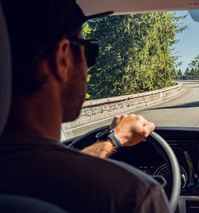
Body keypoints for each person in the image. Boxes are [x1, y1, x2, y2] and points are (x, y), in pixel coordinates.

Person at [0, 0, 171, 212]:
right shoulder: (133, 196)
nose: (89, 66)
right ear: (62, 58)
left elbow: (48, 175)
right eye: (90, 51)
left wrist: (113, 140)